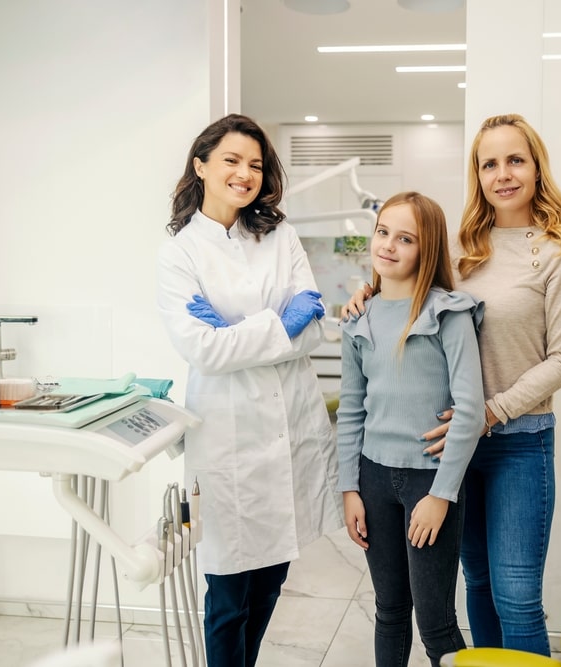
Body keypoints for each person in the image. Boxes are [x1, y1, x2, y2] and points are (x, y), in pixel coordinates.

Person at [343, 114, 561, 656]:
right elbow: (408, 286)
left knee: (517, 596)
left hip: (518, 442)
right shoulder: (461, 245)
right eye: (489, 163)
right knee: (474, 582)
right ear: (477, 174)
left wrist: (491, 411)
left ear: (536, 166)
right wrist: (367, 294)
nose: (503, 174)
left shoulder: (557, 252)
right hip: (450, 448)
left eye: (515, 160)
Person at [156, 113, 343, 667]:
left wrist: (237, 330)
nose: (245, 174)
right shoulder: (179, 254)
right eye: (232, 161)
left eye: (256, 164)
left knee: (271, 582)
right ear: (201, 165)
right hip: (227, 436)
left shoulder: (279, 236)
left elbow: (313, 330)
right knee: (228, 597)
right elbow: (202, 351)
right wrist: (276, 323)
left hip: (287, 429)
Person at [336, 191, 486, 667]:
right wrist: (349, 488)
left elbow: (470, 409)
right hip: (373, 480)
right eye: (383, 232)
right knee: (389, 611)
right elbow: (351, 410)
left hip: (429, 482)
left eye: (406, 239)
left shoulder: (449, 313)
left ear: (428, 249)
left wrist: (442, 495)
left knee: (436, 622)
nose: (389, 245)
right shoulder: (358, 317)